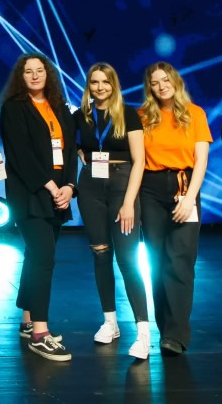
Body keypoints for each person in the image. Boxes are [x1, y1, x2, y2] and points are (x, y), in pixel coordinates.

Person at [0, 53, 77, 362]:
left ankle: (28, 320)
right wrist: (51, 186)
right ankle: (40, 334)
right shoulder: (13, 108)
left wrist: (70, 187)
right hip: (31, 194)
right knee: (44, 257)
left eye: (39, 70)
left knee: (36, 256)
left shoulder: (60, 107)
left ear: (48, 74)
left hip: (59, 194)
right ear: (21, 76)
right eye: (28, 71)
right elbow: (20, 155)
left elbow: (70, 151)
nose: (34, 75)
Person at [74, 63, 150, 359]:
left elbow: (139, 160)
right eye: (95, 82)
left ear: (114, 85)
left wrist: (129, 202)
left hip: (122, 186)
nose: (100, 87)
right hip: (91, 187)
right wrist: (81, 153)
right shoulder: (81, 116)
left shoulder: (127, 114)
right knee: (101, 254)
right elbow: (72, 144)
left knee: (128, 259)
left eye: (106, 82)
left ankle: (143, 333)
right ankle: (110, 322)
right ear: (89, 86)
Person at [137, 61, 211, 356]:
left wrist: (190, 197)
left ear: (175, 81)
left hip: (185, 186)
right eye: (155, 82)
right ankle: (164, 327)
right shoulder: (142, 116)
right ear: (149, 88)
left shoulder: (195, 113)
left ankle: (176, 334)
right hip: (150, 189)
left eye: (165, 80)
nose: (161, 86)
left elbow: (201, 160)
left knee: (180, 261)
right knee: (156, 261)